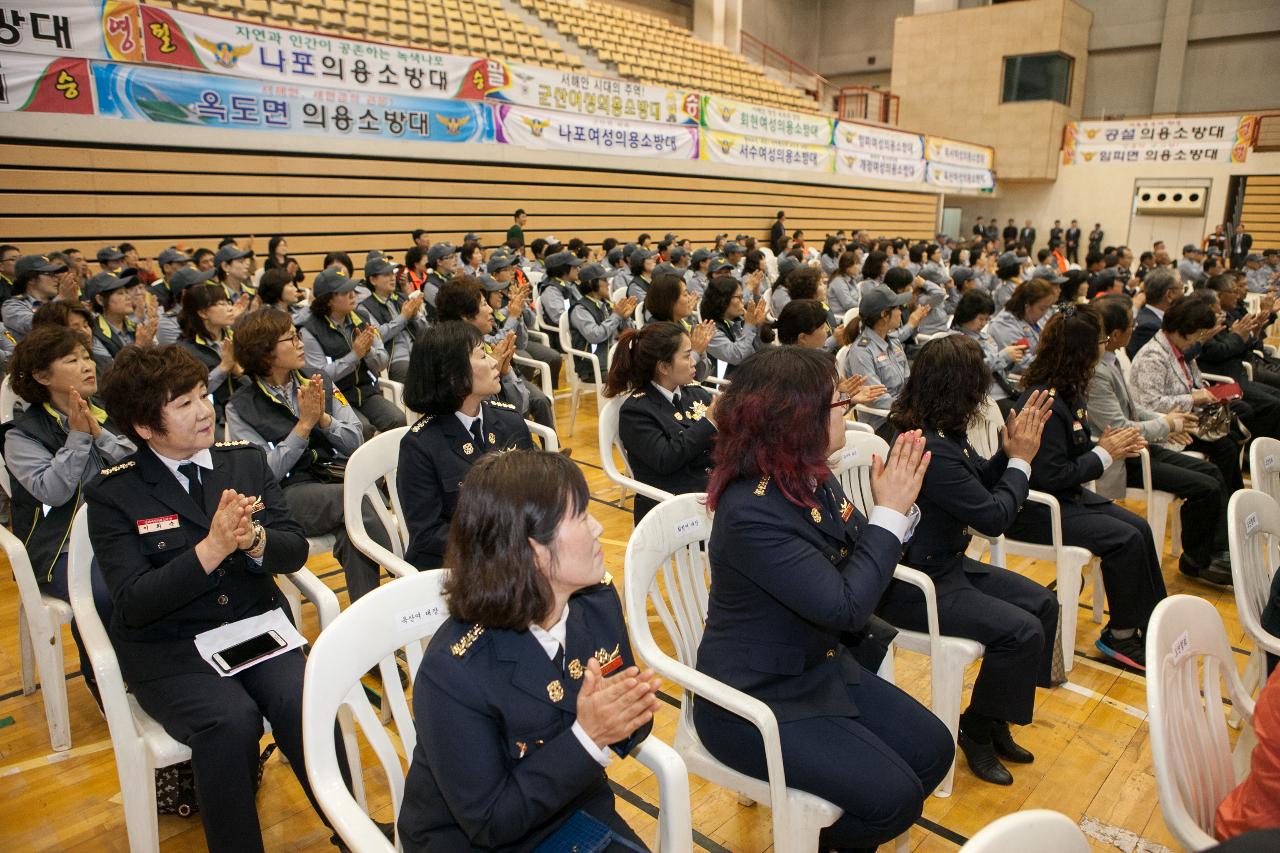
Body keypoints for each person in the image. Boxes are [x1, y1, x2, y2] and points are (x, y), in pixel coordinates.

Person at [85, 344, 346, 853]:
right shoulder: (114, 494)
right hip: (171, 649)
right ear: (144, 426)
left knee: (302, 698)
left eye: (203, 395)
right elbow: (134, 603)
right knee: (229, 721)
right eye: (183, 404)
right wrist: (210, 549)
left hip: (253, 628)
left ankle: (351, 828)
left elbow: (291, 549)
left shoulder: (243, 463)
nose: (204, 411)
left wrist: (252, 541)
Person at [693, 346, 954, 850]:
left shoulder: (810, 478)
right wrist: (890, 514)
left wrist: (894, 511)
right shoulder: (753, 510)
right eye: (837, 402)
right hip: (754, 699)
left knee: (933, 751)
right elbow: (848, 606)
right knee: (894, 796)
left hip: (819, 667)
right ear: (800, 419)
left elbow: (864, 557)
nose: (847, 410)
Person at [397, 450, 660, 850]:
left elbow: (631, 722)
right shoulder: (454, 671)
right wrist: (590, 735)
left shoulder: (596, 602)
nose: (599, 528)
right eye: (582, 516)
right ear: (535, 551)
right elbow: (489, 823)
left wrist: (620, 714)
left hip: (573, 809)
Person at [881, 336, 1058, 786]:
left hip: (947, 565)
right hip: (916, 583)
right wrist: (1020, 462)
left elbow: (975, 480)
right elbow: (994, 518)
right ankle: (976, 729)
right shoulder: (929, 445)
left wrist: (1007, 454)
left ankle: (994, 715)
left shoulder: (939, 429)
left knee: (1041, 604)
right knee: (1021, 632)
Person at [1007, 306, 1165, 670]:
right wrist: (1103, 456)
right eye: (1099, 340)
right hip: (1037, 510)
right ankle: (1121, 637)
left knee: (1139, 528)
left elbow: (1072, 454)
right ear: (1082, 349)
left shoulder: (1068, 391)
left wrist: (1102, 447)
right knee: (1123, 540)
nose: (1104, 345)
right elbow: (1048, 475)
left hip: (1066, 499)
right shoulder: (1043, 401)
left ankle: (1149, 624)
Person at [226, 308, 392, 604]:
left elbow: (356, 439)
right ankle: (408, 574)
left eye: (298, 335)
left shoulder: (318, 382)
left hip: (329, 480)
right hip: (286, 494)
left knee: (352, 535)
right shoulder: (240, 406)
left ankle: (368, 617)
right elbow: (264, 471)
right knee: (355, 498)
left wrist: (324, 420)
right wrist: (303, 427)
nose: (300, 342)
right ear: (265, 352)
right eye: (291, 338)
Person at [4, 326, 134, 703]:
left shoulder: (105, 411)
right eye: (72, 360)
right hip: (57, 549)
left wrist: (99, 434)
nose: (87, 365)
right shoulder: (20, 435)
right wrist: (77, 438)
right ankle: (107, 680)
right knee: (104, 592)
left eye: (87, 356)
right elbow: (53, 492)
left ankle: (160, 664)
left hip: (119, 531)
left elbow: (140, 465)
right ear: (43, 377)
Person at [1089, 297, 1231, 585]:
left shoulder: (1111, 361)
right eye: (1131, 324)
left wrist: (1167, 425)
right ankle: (1198, 559)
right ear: (1114, 334)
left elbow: (1134, 409)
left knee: (1213, 473)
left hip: (1140, 445)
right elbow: (1119, 427)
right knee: (1205, 486)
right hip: (1123, 458)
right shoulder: (1097, 373)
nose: (1136, 328)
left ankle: (1214, 548)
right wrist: (1166, 424)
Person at [398, 322, 535, 569]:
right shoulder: (420, 446)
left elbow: (538, 492)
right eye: (482, 355)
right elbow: (428, 534)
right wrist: (497, 544)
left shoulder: (509, 421)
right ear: (453, 375)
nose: (495, 362)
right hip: (457, 569)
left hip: (514, 558)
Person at [1129, 294, 1250, 497]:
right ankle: (1229, 502)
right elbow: (1149, 403)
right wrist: (1195, 398)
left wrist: (1205, 391)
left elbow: (1191, 382)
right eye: (1198, 332)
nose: (1199, 337)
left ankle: (1233, 500)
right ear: (1181, 329)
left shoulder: (1178, 349)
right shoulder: (1153, 356)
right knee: (1224, 446)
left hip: (1186, 417)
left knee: (1232, 430)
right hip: (1164, 427)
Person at [604, 322, 718, 521]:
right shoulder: (636, 411)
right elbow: (666, 458)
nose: (693, 362)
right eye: (686, 355)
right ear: (664, 367)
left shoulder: (693, 393)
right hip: (673, 505)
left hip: (708, 487)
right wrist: (709, 423)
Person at [437, 274, 555, 429]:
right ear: (465, 316)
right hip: (489, 439)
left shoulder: (481, 343)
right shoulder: (455, 357)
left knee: (539, 401)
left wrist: (506, 373)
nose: (490, 309)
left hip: (504, 433)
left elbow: (521, 406)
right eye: (484, 304)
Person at [301, 267, 405, 437]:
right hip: (335, 398)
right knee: (363, 429)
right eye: (344, 292)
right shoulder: (310, 332)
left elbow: (383, 361)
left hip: (365, 391)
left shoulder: (362, 318)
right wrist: (354, 356)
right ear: (328, 300)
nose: (352, 295)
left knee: (397, 419)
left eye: (352, 290)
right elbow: (319, 376)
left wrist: (368, 351)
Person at [843, 283, 912, 433]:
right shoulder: (861, 352)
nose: (901, 312)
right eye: (897, 308)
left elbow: (908, 381)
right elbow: (876, 398)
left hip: (903, 412)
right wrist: (911, 407)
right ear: (884, 314)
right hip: (882, 421)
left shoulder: (893, 341)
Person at [949, 290, 1024, 413]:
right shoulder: (955, 340)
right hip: (981, 397)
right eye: (980, 319)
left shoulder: (984, 336)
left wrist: (1011, 358)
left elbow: (999, 371)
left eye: (986, 319)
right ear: (968, 314)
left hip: (1003, 390)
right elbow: (974, 369)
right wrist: (1004, 357)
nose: (983, 324)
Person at [177, 283, 240, 430]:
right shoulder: (185, 350)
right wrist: (224, 368)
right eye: (221, 304)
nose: (230, 308)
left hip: (245, 411)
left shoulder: (237, 338)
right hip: (212, 419)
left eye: (228, 302)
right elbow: (189, 394)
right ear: (203, 313)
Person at [356, 253, 425, 383]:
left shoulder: (401, 298)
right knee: (416, 376)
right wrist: (403, 317)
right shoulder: (364, 308)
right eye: (387, 275)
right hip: (395, 359)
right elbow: (378, 335)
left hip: (419, 351)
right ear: (373, 280)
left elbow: (425, 331)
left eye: (393, 274)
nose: (393, 278)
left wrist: (415, 315)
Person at [570, 263, 636, 382]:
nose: (608, 283)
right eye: (604, 279)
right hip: (594, 367)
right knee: (633, 377)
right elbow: (595, 336)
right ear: (591, 283)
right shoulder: (580, 309)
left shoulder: (606, 304)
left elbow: (630, 333)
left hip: (615, 359)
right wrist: (616, 316)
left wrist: (625, 318)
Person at [700, 275, 769, 380]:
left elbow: (761, 352)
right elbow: (737, 356)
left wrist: (758, 326)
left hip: (752, 375)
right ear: (722, 299)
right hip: (726, 388)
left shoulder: (736, 320)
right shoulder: (710, 331)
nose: (743, 301)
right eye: (739, 298)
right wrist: (750, 325)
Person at [87, 270, 157, 364]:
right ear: (100, 300)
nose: (128, 297)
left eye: (126, 292)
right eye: (120, 293)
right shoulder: (94, 334)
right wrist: (139, 347)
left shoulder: (136, 327)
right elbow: (109, 373)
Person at [4, 254, 75, 341]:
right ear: (31, 279)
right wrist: (61, 298)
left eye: (55, 274)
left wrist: (74, 304)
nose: (56, 278)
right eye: (49, 274)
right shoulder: (12, 306)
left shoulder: (58, 301)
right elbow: (34, 325)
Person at [1127, 268, 1181, 358]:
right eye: (1183, 288)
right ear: (1169, 295)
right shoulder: (1149, 327)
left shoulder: (1157, 318)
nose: (1184, 294)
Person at [827, 251, 861, 317]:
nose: (859, 267)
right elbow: (848, 304)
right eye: (856, 264)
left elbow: (857, 298)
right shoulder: (838, 281)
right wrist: (864, 306)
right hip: (841, 318)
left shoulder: (851, 279)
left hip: (852, 315)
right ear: (847, 266)